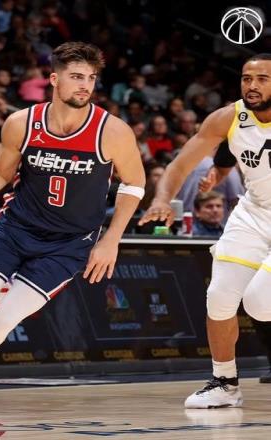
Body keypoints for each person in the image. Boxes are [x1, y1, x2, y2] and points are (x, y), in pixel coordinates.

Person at [0, 42, 145, 411]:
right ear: (53, 79)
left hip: (69, 244)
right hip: (15, 229)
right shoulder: (22, 123)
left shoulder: (112, 131)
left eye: (90, 78)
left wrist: (110, 240)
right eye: (76, 77)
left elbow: (134, 184)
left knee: (2, 323)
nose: (85, 85)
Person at [139, 53, 271, 409]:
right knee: (219, 297)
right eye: (247, 78)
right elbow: (181, 164)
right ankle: (225, 383)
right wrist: (161, 199)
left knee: (260, 303)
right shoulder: (229, 117)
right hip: (254, 212)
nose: (252, 86)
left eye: (262, 79)